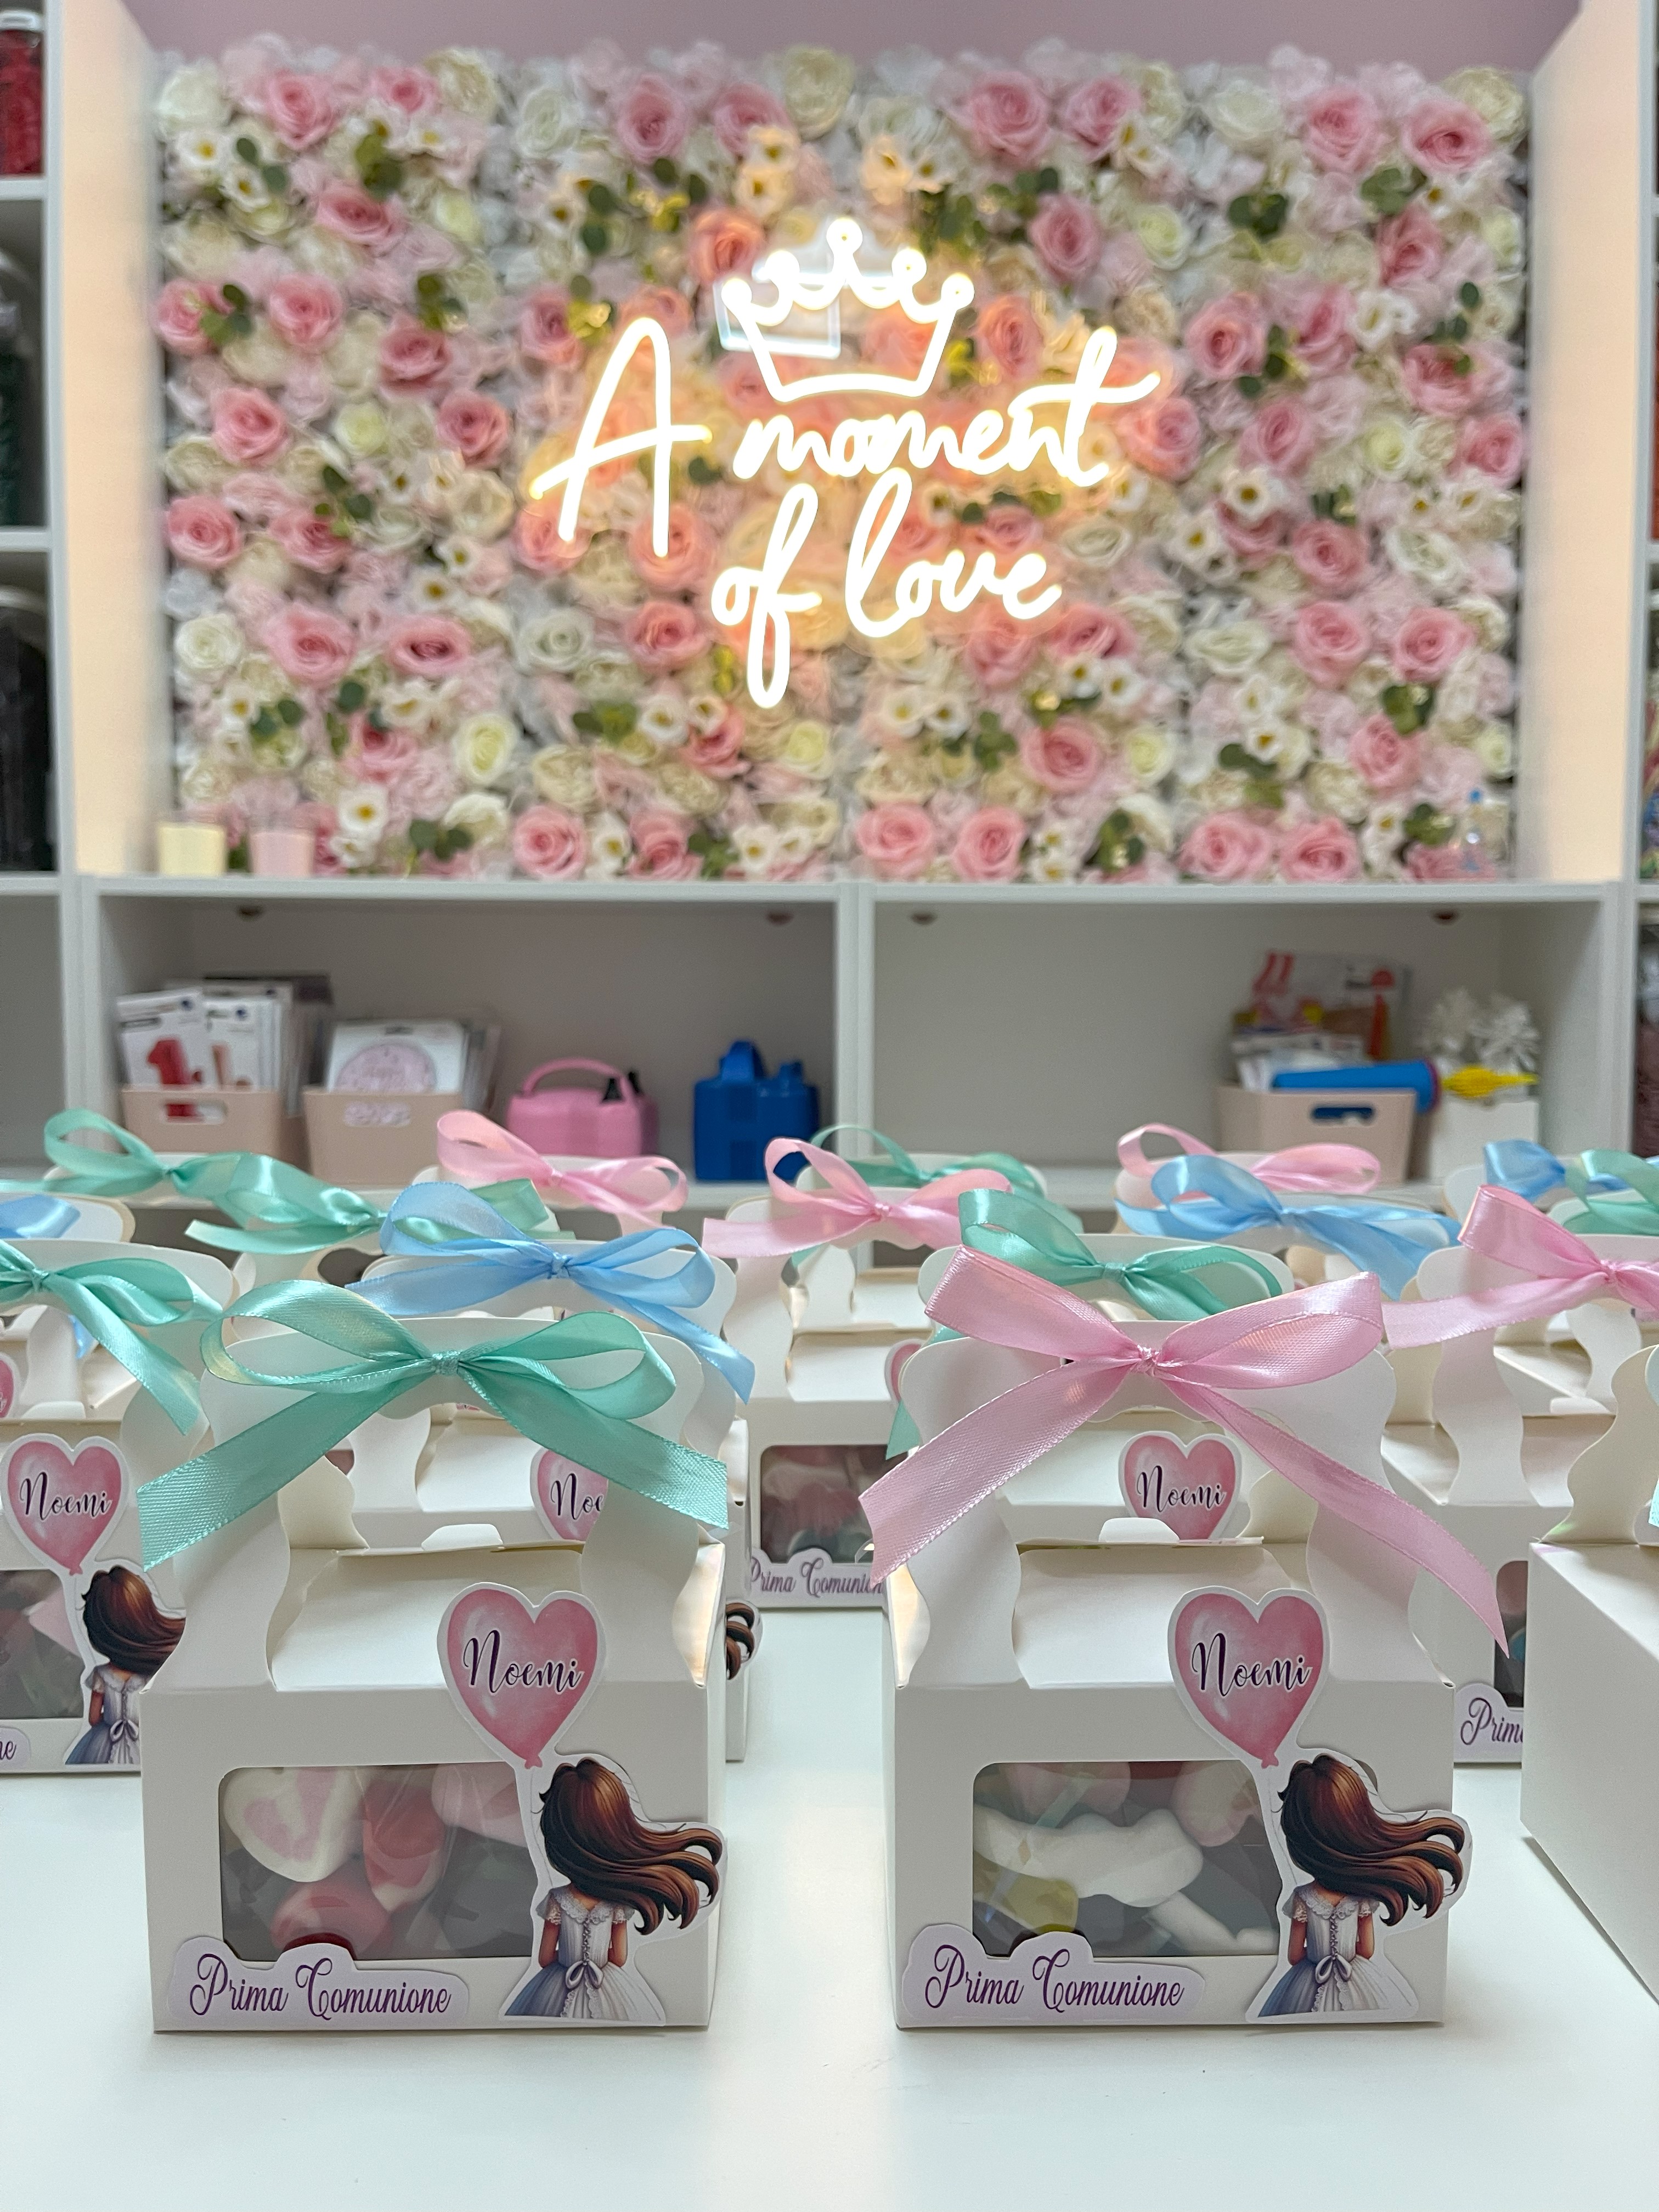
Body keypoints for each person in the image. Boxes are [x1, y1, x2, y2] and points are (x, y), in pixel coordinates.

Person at [505, 1758, 721, 2023]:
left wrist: (571, 1959)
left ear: (557, 1840)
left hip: (557, 1984)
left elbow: (545, 1957)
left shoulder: (557, 1900)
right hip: (609, 1984)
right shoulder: (616, 1904)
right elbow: (619, 1958)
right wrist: (595, 1959)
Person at [1257, 1753, 1466, 2017]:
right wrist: (1343, 1953)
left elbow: (1295, 1956)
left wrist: (1320, 1955)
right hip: (1358, 1978)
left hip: (1307, 1980)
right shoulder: (1360, 1899)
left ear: (1299, 1839)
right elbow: (1366, 1950)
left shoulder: (1303, 1897)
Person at [64, 1565, 183, 1767]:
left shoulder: (101, 1675)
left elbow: (94, 1719)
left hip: (103, 1742)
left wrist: (112, 1717)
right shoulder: (148, 1676)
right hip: (144, 1741)